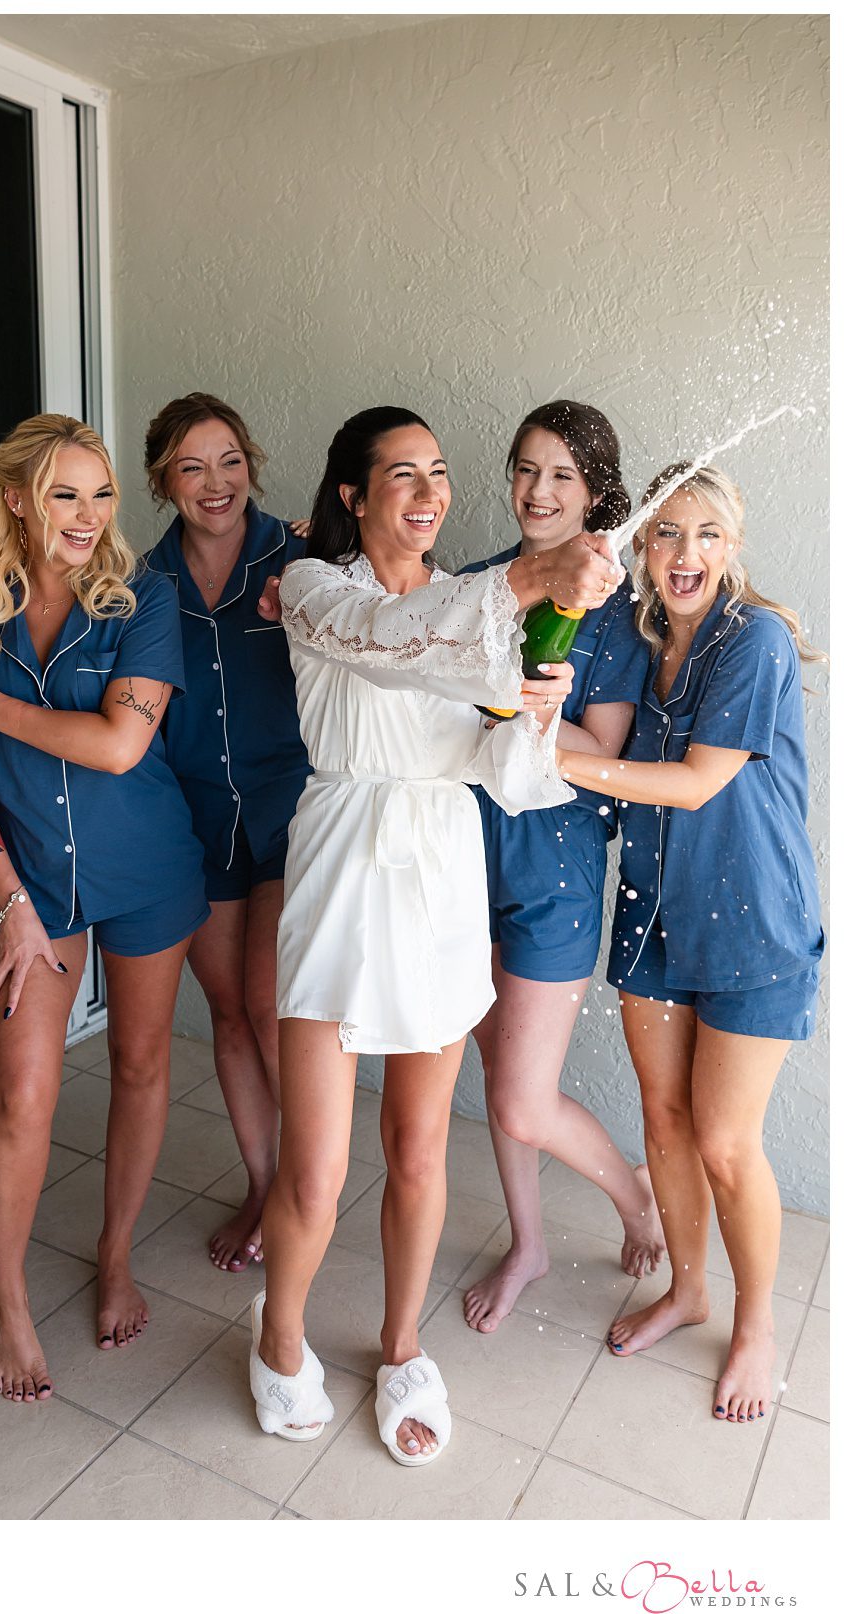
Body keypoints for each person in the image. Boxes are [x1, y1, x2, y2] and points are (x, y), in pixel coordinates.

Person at [249, 406, 617, 1467]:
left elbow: (502, 774)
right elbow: (395, 646)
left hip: (440, 869)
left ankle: (402, 1346)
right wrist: (531, 581)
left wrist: (531, 711)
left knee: (417, 1148)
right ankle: (277, 1344)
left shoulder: (481, 609)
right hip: (341, 864)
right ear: (353, 496)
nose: (426, 491)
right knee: (314, 1171)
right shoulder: (319, 589)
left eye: (439, 473)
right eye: (399, 474)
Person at [0, 413, 206, 1402]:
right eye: (65, 494)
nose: (87, 515)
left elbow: (121, 746)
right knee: (22, 1092)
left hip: (147, 870)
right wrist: (10, 906)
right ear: (14, 498)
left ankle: (112, 1253)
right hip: (29, 884)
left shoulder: (143, 601)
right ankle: (7, 1306)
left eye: (102, 493)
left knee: (139, 1062)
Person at [556, 463, 824, 1425]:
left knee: (722, 1139)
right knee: (663, 1124)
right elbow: (595, 741)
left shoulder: (753, 641)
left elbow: (699, 782)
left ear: (733, 546)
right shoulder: (635, 640)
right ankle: (688, 1290)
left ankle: (754, 1326)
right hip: (656, 915)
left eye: (706, 533)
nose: (684, 554)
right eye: (666, 534)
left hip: (756, 921)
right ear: (640, 547)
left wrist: (545, 750)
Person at [458, 402, 666, 1332]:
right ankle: (529, 1244)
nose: (539, 493)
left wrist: (536, 711)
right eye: (526, 470)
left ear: (597, 493)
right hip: (462, 862)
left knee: (520, 1095)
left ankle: (632, 1198)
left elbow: (607, 747)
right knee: (497, 1068)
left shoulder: (618, 610)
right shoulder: (476, 585)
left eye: (563, 477)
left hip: (557, 872)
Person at [142, 393, 310, 1273]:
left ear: (252, 462)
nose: (216, 484)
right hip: (196, 820)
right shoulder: (141, 583)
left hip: (292, 810)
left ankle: (301, 1196)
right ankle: (262, 1180)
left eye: (230, 461)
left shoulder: (309, 556)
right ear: (163, 480)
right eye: (193, 466)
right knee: (230, 1016)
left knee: (274, 1011)